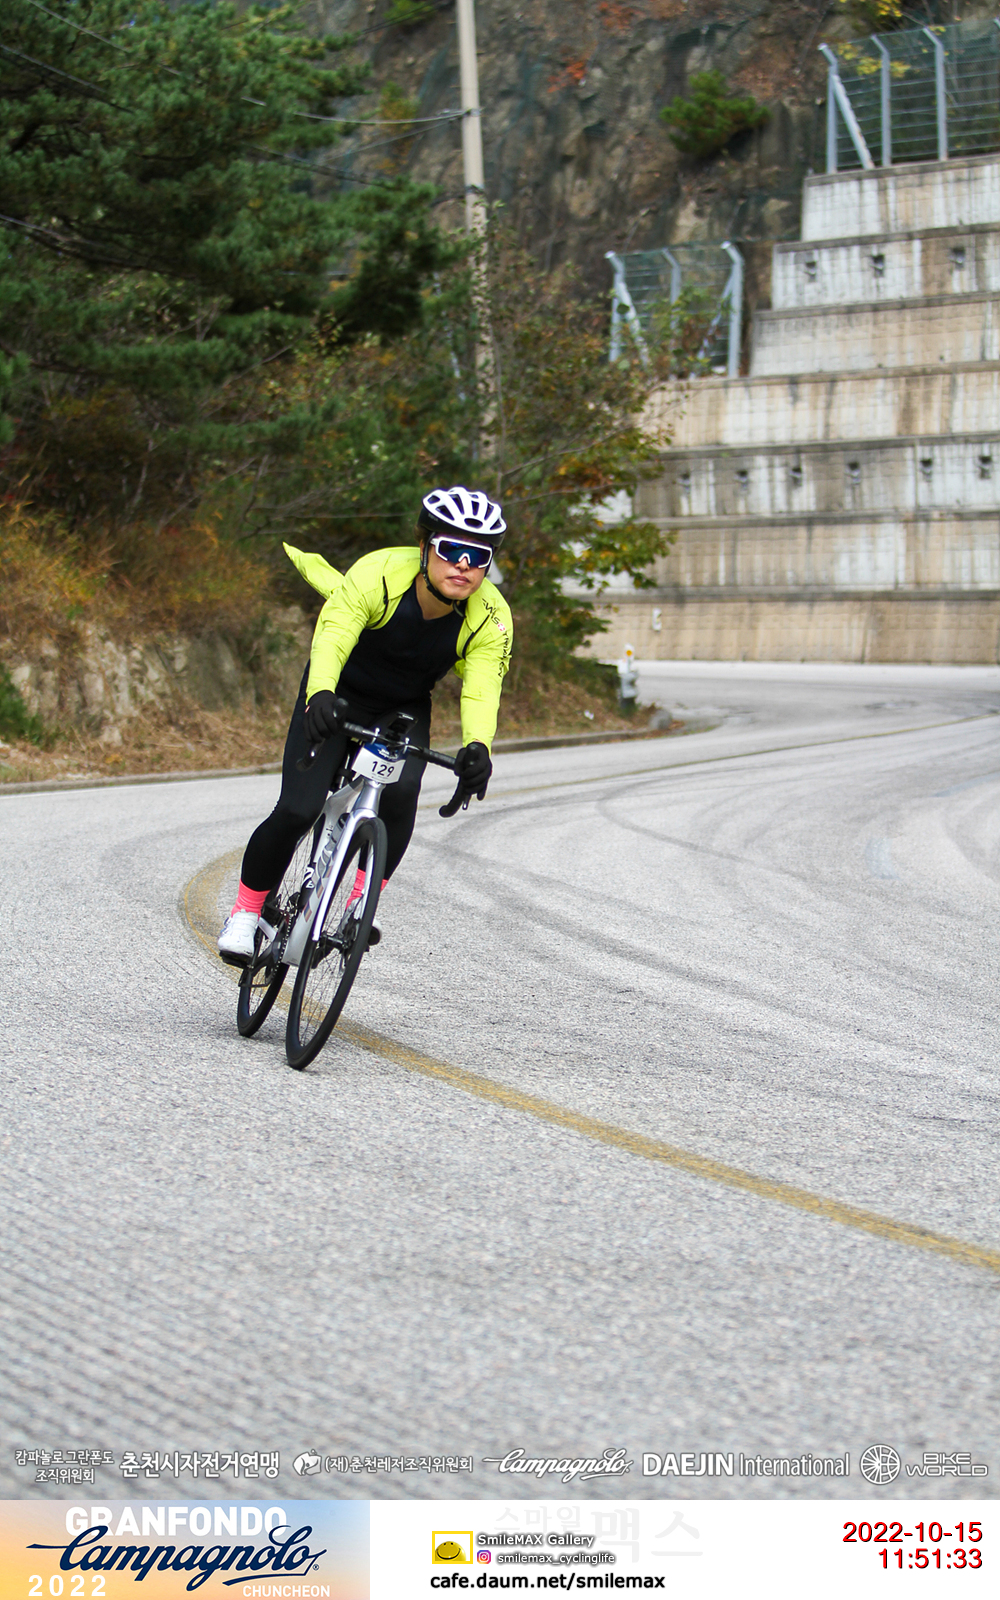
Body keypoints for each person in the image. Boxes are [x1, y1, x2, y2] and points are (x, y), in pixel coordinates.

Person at [218, 485, 513, 964]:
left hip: (402, 709)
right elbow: (334, 634)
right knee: (297, 809)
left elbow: (482, 687)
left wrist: (478, 746)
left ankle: (360, 904)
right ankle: (245, 914)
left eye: (478, 556)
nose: (463, 565)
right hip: (339, 695)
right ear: (424, 547)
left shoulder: (491, 617)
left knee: (402, 793)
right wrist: (320, 694)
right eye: (450, 550)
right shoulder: (379, 572)